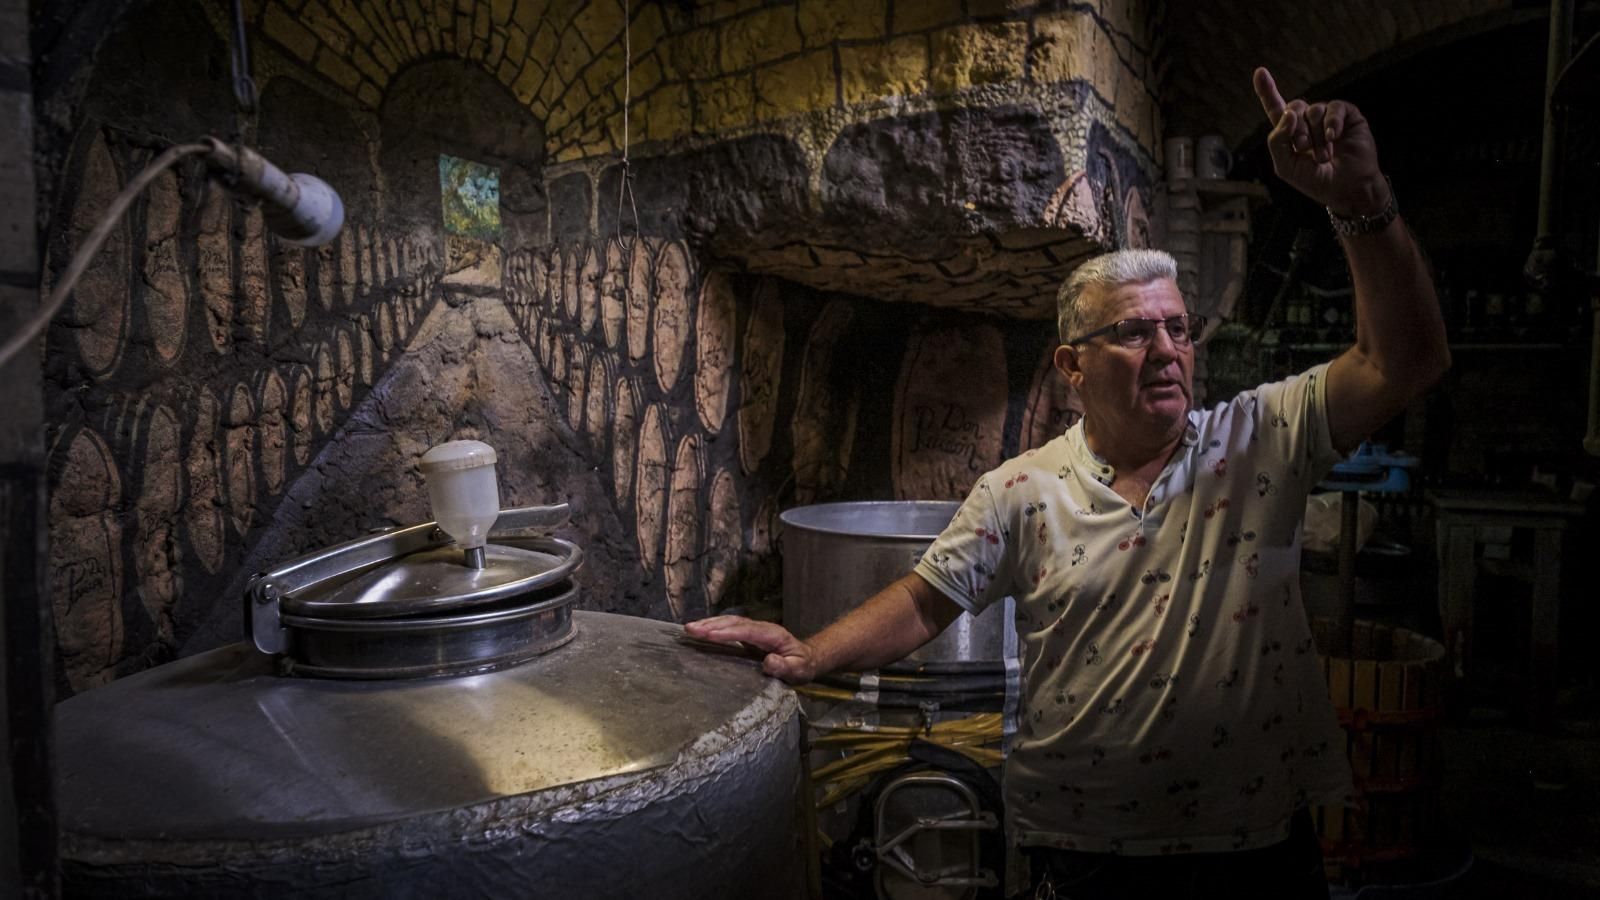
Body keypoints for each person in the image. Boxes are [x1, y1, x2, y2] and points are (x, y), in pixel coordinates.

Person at [686, 67, 1450, 898]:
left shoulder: (1257, 441)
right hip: (1083, 849)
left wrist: (1361, 197)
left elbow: (1404, 360)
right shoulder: (1023, 488)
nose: (1166, 349)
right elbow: (925, 598)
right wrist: (807, 652)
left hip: (1251, 844)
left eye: (1176, 328)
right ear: (1071, 366)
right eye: (1131, 331)